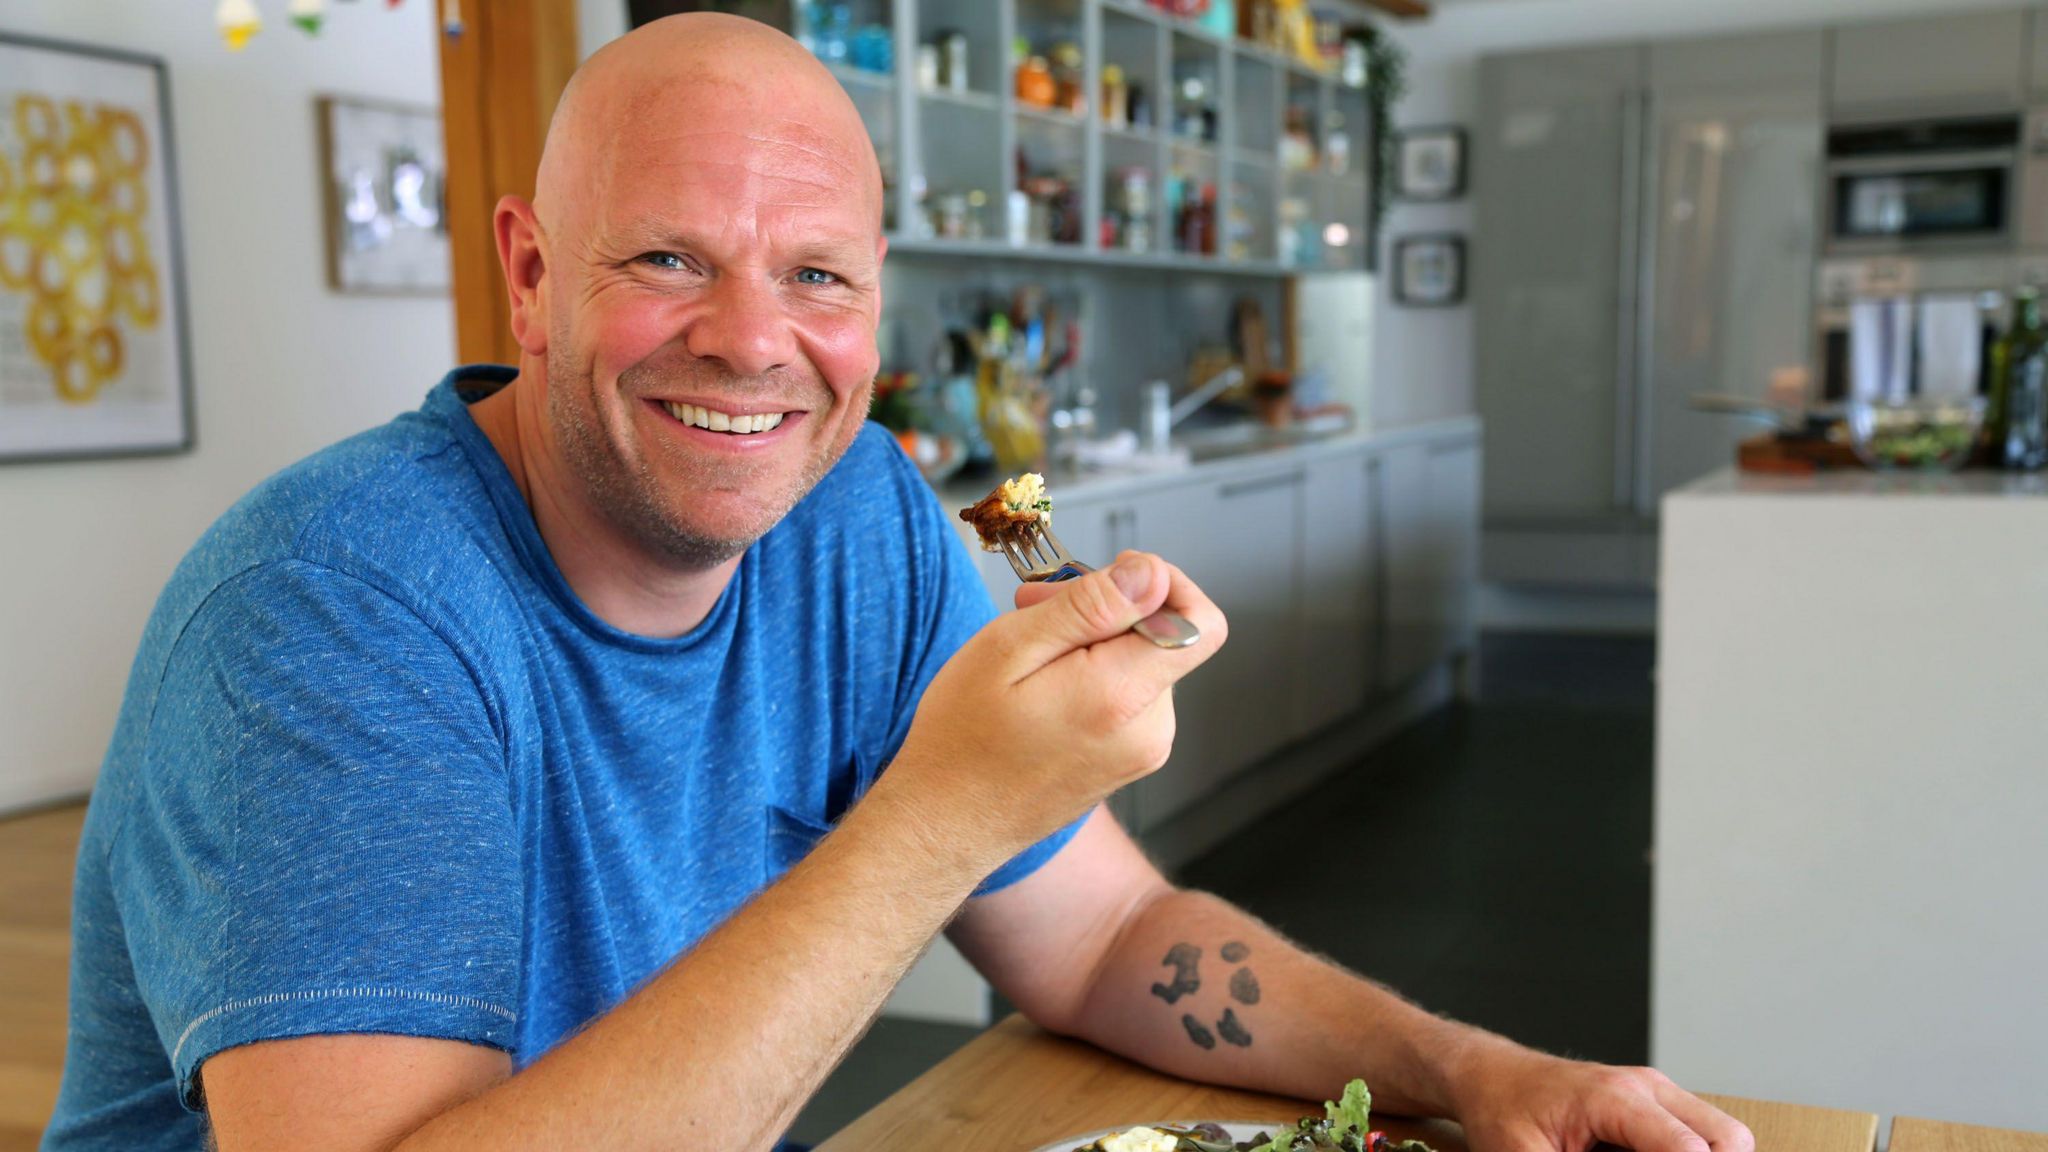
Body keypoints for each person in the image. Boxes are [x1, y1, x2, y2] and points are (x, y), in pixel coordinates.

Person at [42, 14, 1752, 1152]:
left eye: (817, 275)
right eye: (666, 259)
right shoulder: (330, 607)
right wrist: (939, 814)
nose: (753, 343)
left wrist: (1474, 1076)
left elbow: (1110, 942)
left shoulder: (857, 515)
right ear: (531, 272)